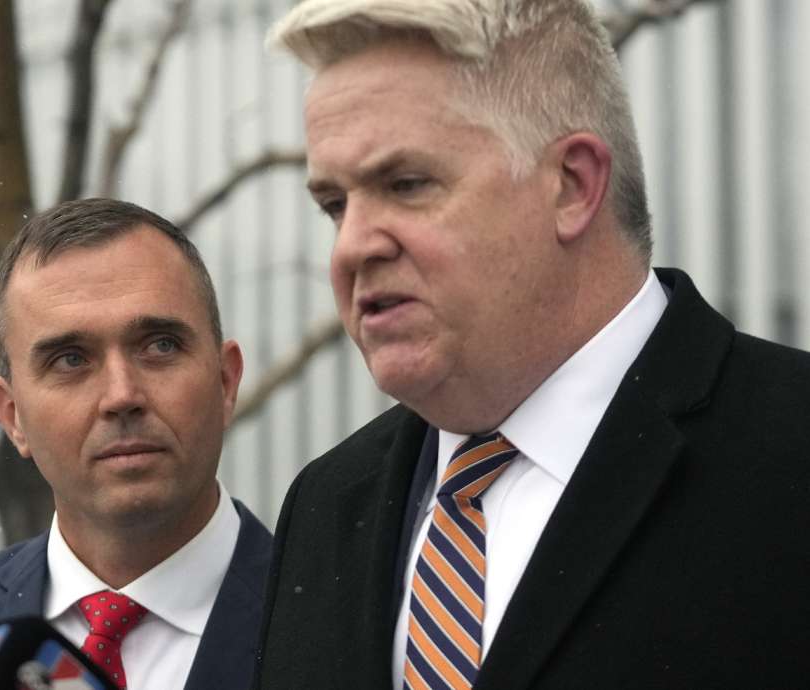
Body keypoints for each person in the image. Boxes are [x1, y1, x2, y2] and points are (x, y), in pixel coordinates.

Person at [253, 1, 810, 689]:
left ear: (572, 186)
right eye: (335, 205)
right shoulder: (327, 503)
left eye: (407, 185)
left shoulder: (788, 447)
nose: (353, 246)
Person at [0, 198, 272, 690]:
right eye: (70, 360)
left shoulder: (351, 628)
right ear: (12, 416)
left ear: (225, 382)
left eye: (160, 345)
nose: (122, 395)